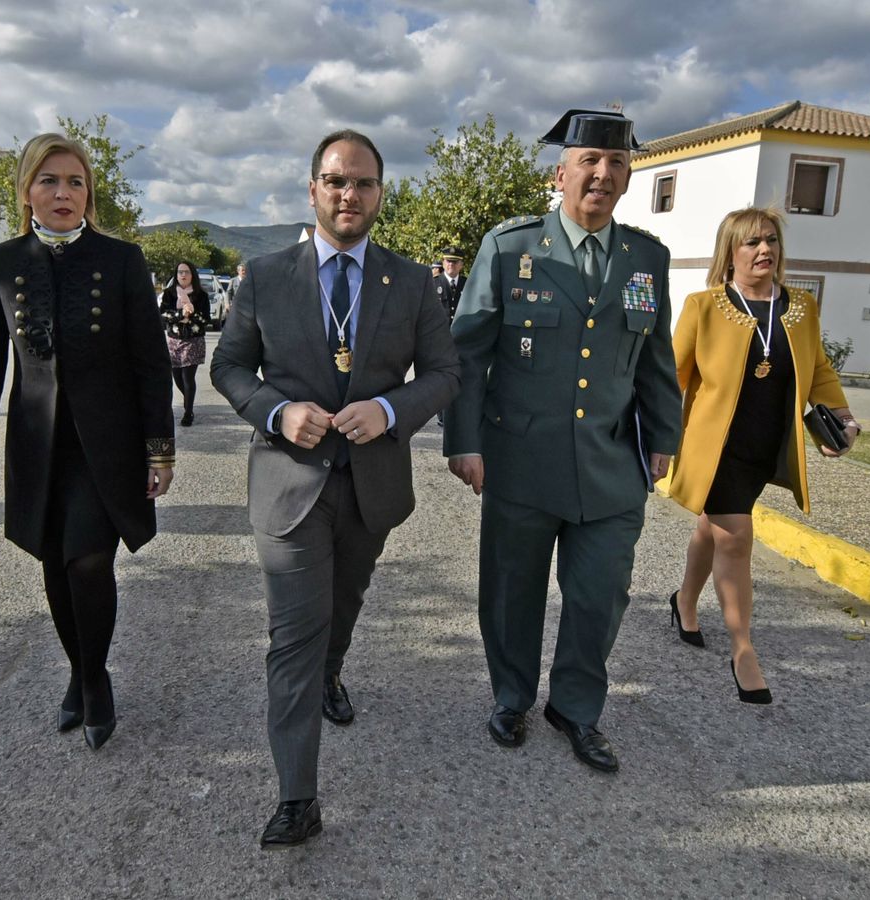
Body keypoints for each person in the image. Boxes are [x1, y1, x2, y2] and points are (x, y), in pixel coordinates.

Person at [211, 129, 459, 849]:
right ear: (313, 189)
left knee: (342, 607)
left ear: (381, 193)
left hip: (372, 485)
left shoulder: (410, 282)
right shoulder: (264, 275)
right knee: (292, 635)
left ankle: (332, 674)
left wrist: (387, 410)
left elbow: (445, 374)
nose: (349, 194)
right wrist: (279, 412)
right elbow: (228, 368)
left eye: (363, 183)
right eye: (335, 181)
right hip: (288, 487)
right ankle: (297, 797)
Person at [443, 109, 681, 773]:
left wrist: (664, 436)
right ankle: (512, 696)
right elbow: (468, 354)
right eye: (590, 162)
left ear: (629, 178)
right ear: (562, 174)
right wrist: (465, 441)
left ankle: (575, 708)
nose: (602, 175)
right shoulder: (511, 247)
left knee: (600, 595)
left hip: (610, 467)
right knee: (512, 589)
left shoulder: (646, 258)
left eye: (617, 164)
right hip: (519, 461)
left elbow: (655, 358)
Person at [0, 132, 174, 751]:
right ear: (26, 192)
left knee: (90, 560)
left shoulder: (122, 259)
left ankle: (95, 678)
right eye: (49, 181)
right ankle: (78, 672)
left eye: (76, 182)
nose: (63, 193)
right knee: (54, 562)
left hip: (108, 446)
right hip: (37, 446)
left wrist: (160, 448)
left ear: (89, 194)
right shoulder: (0, 264)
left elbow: (151, 364)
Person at [664, 206, 859, 704]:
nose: (764, 250)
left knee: (715, 528)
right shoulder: (704, 305)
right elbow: (671, 378)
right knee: (736, 536)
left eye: (770, 240)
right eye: (751, 242)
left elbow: (818, 370)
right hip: (717, 448)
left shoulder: (801, 308)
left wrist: (841, 417)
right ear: (729, 251)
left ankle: (684, 601)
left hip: (768, 446)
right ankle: (743, 649)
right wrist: (656, 440)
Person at [160, 260, 211, 427]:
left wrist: (192, 314)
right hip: (174, 341)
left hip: (193, 341)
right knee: (177, 377)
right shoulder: (169, 293)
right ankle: (188, 400)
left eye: (186, 272)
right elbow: (163, 315)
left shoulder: (201, 295)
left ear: (192, 275)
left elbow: (205, 319)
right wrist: (182, 313)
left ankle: (188, 413)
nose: (183, 275)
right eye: (180, 272)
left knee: (187, 377)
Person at [433, 246, 466, 319]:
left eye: (454, 261)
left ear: (461, 265)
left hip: (461, 329)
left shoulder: (467, 284)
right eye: (448, 261)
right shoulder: (433, 283)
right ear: (443, 263)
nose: (451, 264)